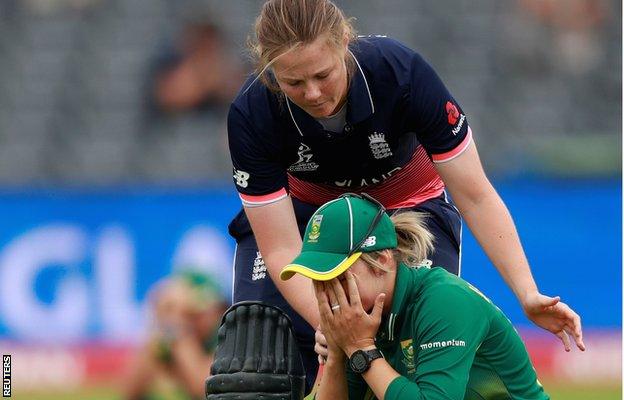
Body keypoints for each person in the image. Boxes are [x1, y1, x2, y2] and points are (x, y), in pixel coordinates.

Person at [227, 0, 581, 388]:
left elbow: (475, 195)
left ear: (344, 42)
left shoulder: (402, 75)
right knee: (254, 369)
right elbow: (280, 249)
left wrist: (527, 293)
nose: (312, 93)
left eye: (323, 75)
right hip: (310, 224)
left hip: (405, 211)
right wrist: (331, 324)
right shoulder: (252, 111)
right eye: (293, 82)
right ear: (268, 69)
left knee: (413, 363)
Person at [280, 194, 584, 400]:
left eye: (338, 275)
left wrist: (361, 350)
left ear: (383, 259)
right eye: (319, 279)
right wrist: (336, 352)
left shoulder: (444, 300)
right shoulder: (361, 320)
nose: (328, 293)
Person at [124, 270, 229, 400]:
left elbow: (205, 390)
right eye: (193, 314)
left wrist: (180, 336)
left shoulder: (226, 335)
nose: (208, 319)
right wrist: (163, 328)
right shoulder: (174, 337)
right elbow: (130, 392)